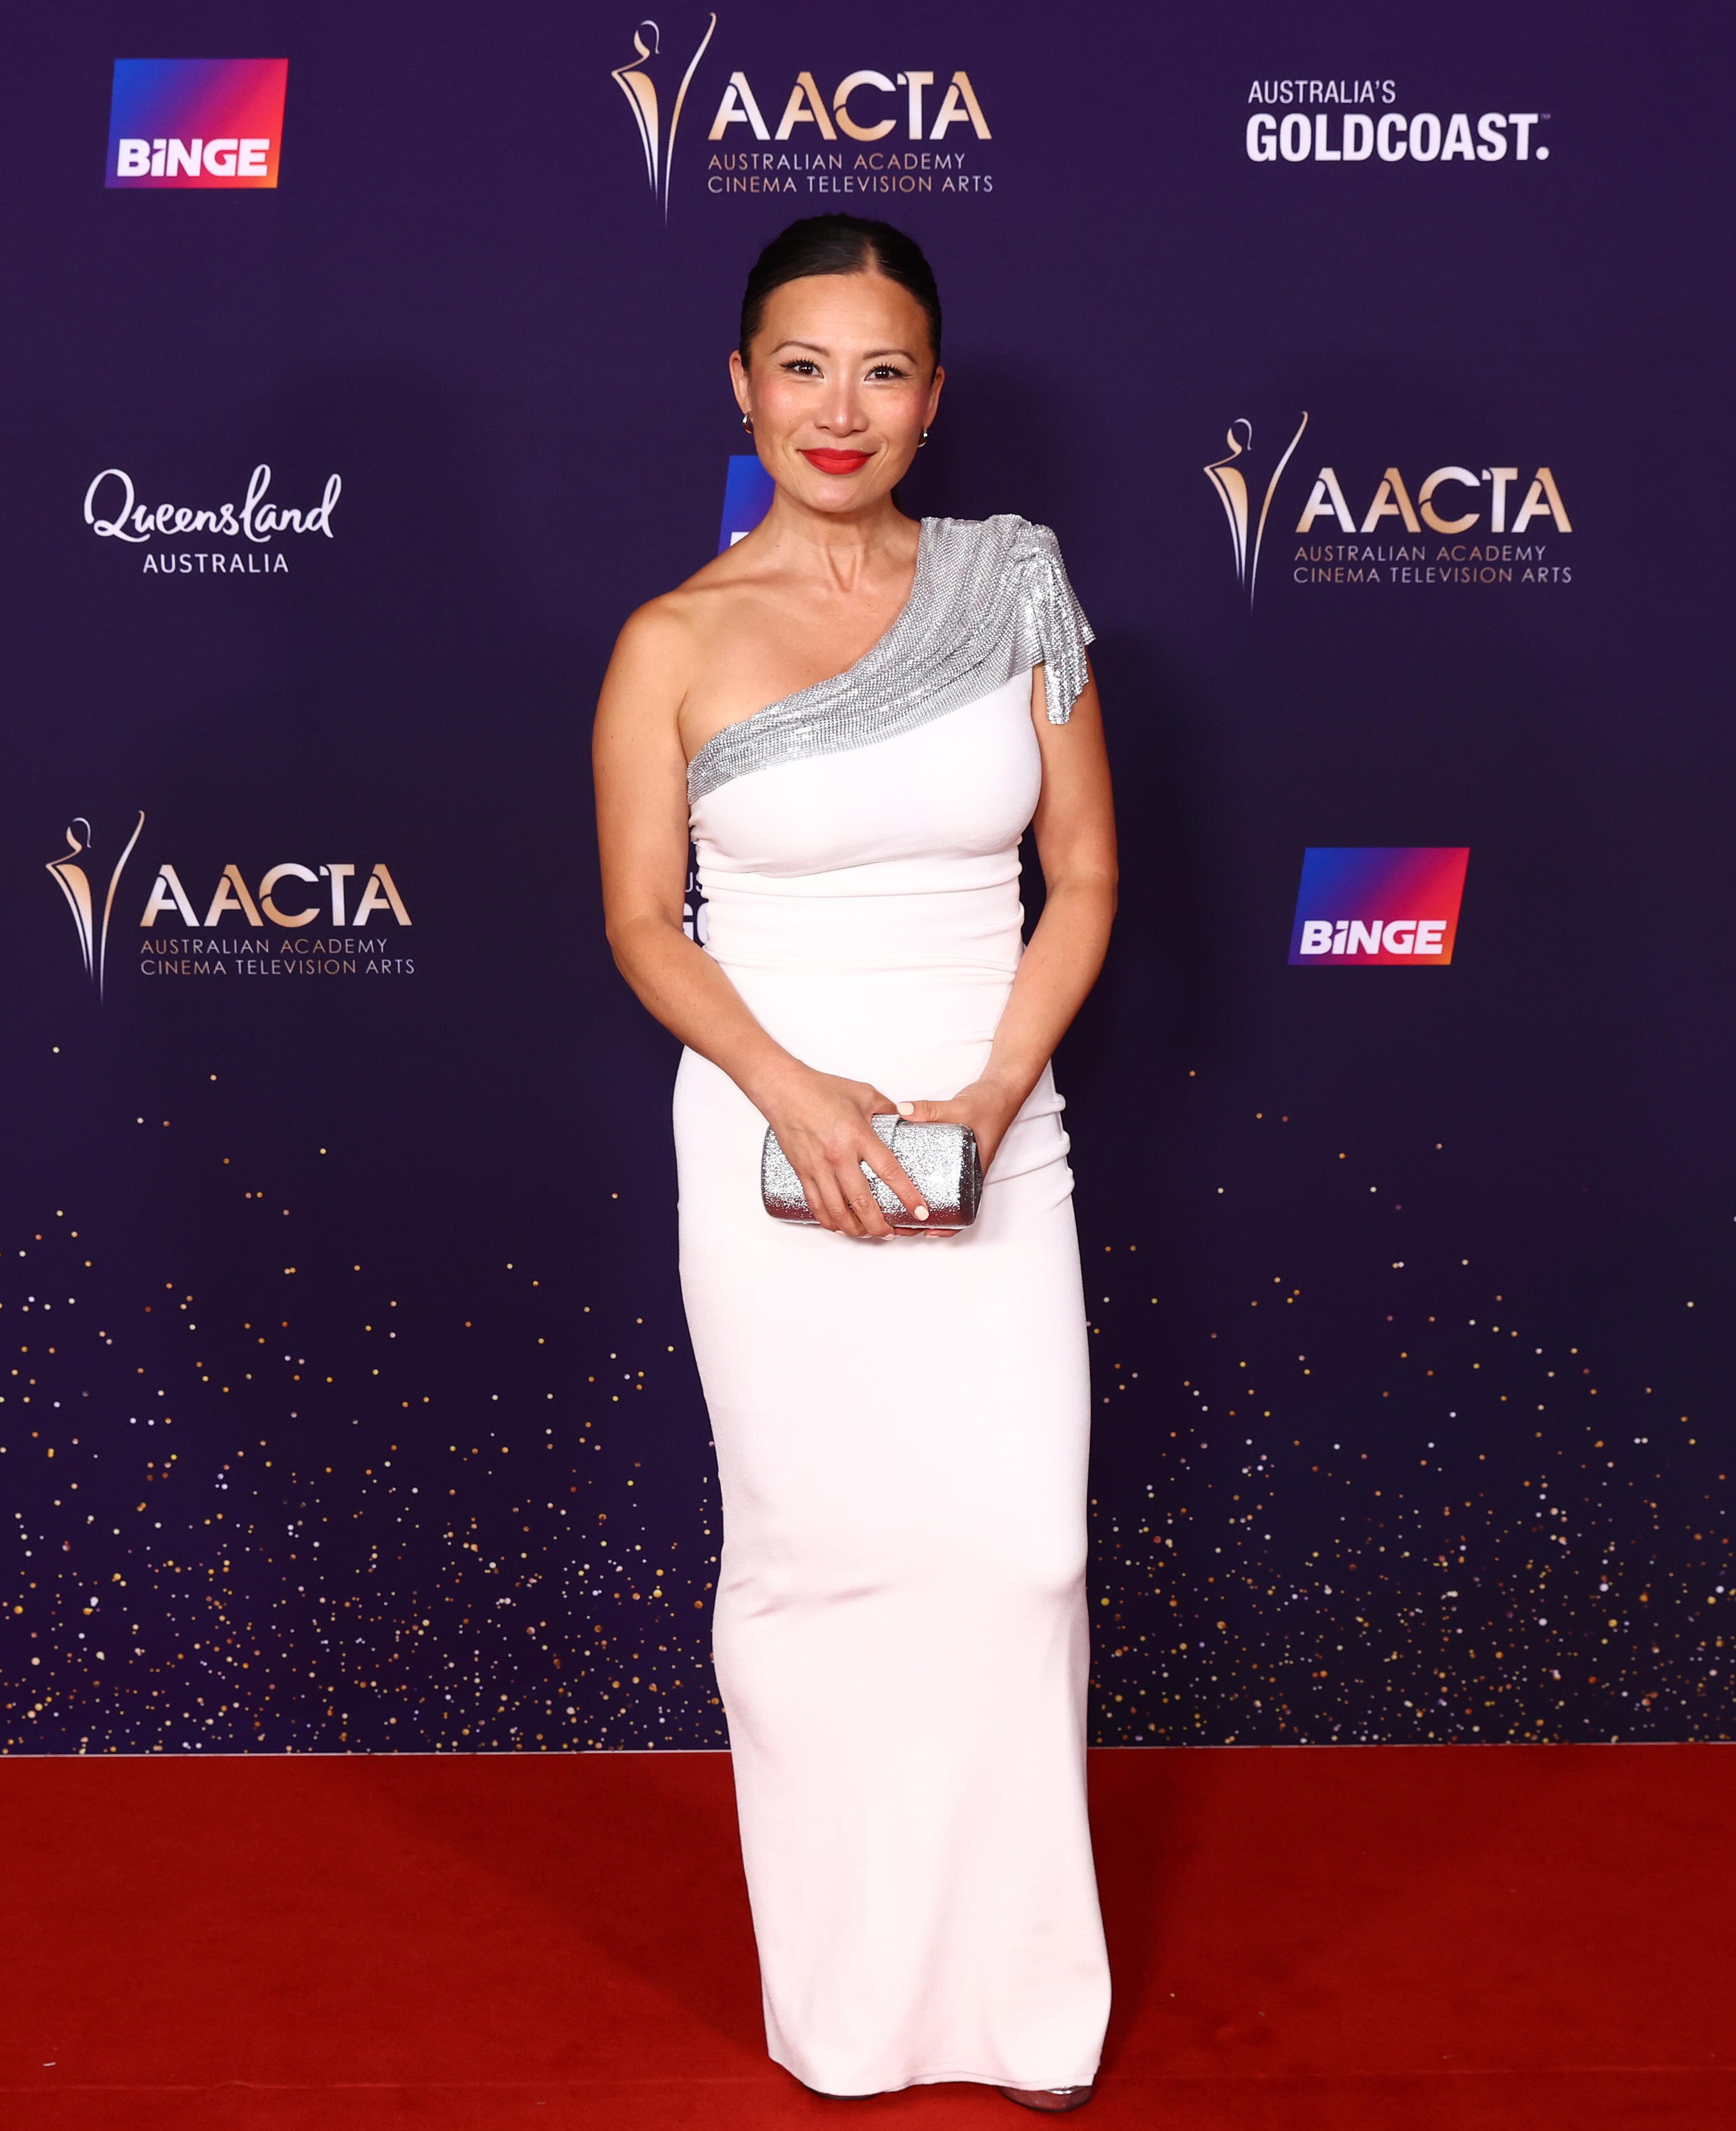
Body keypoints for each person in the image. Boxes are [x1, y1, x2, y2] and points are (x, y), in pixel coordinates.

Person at [592, 214, 1120, 2111]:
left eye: (882, 369)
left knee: (1018, 1558)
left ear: (933, 397)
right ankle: (852, 2015)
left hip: (999, 1130)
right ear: (741, 386)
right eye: (801, 367)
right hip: (767, 1140)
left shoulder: (1014, 588)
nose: (842, 408)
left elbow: (1088, 875)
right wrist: (797, 1094)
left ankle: (1019, 2013)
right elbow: (649, 924)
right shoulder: (673, 640)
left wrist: (985, 1098)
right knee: (825, 1567)